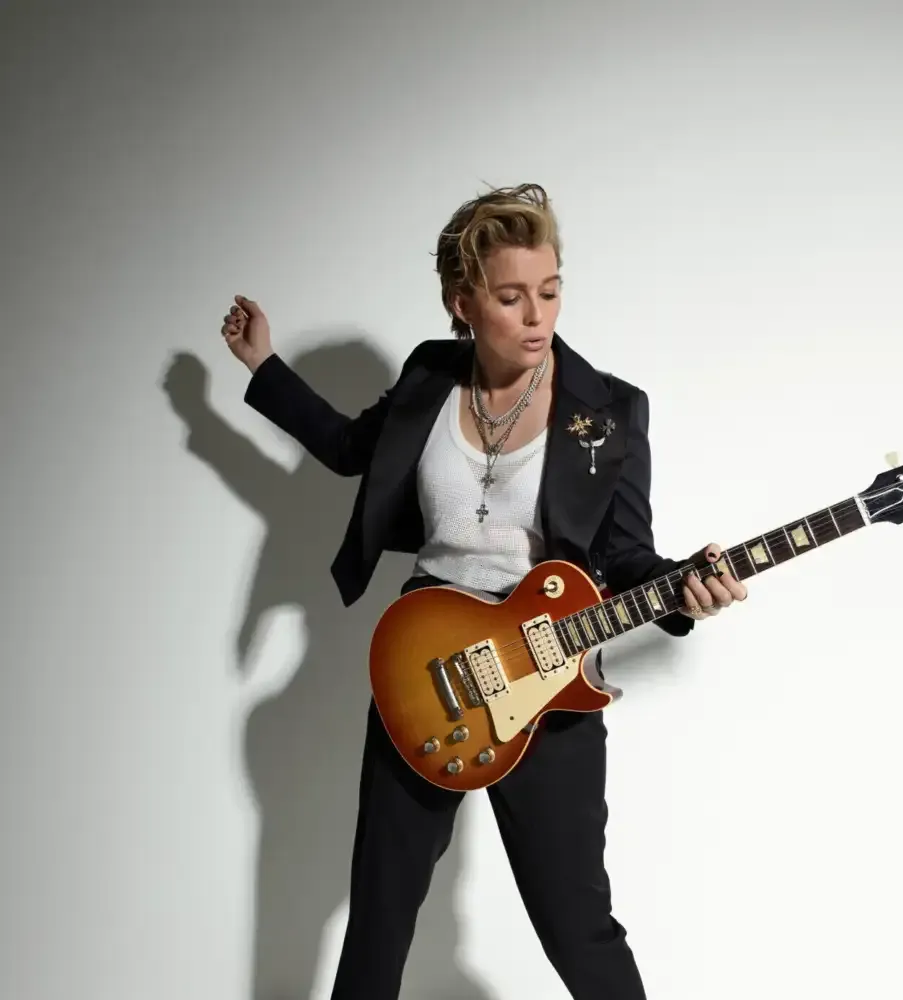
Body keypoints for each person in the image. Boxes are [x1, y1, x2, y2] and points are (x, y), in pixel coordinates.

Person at [219, 183, 748, 999]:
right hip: (426, 670)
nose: (538, 316)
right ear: (461, 303)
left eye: (551, 290)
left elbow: (626, 556)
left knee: (578, 928)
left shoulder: (610, 413)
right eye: (511, 297)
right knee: (380, 918)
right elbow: (351, 448)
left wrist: (685, 589)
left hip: (551, 681)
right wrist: (263, 366)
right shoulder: (429, 378)